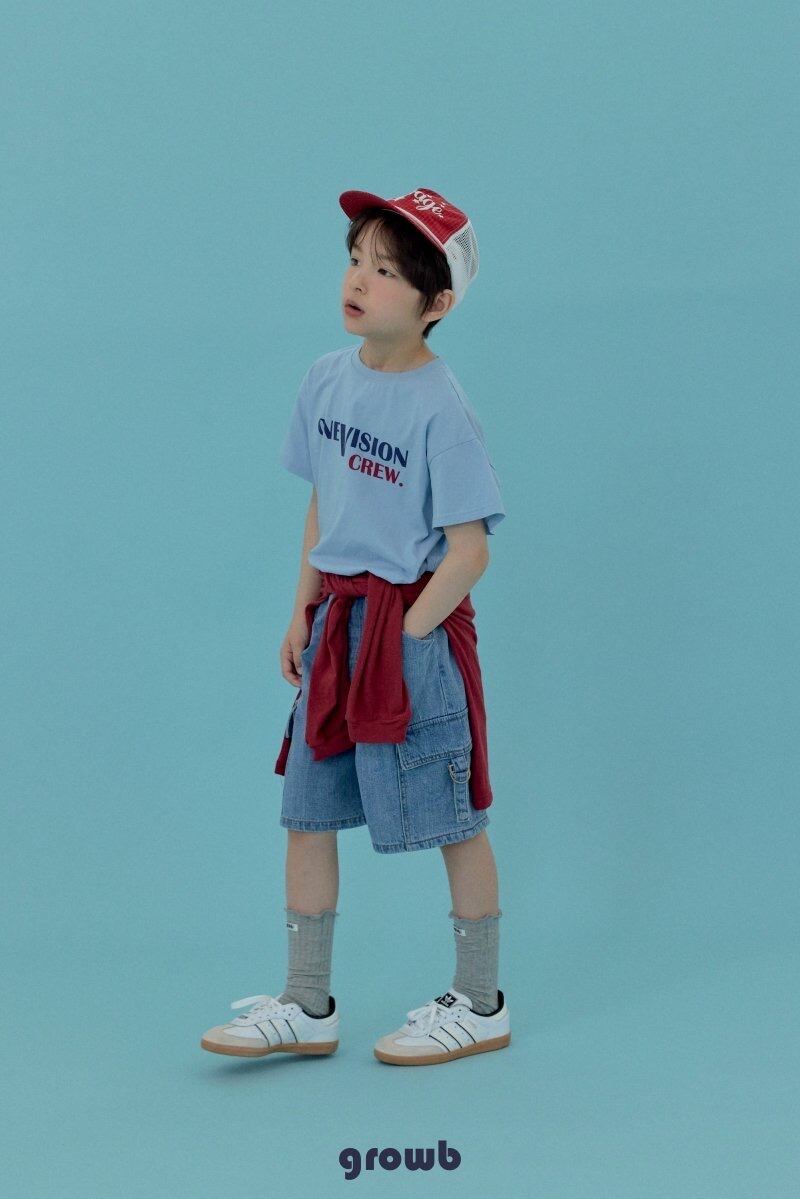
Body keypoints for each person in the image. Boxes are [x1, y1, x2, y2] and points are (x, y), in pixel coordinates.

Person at [201, 187, 510, 1067]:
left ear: (435, 301)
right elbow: (322, 504)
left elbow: (469, 552)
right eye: (355, 261)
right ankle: (307, 1002)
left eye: (385, 271)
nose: (359, 281)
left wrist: (408, 633)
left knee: (454, 815)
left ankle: (480, 1001)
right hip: (337, 622)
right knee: (305, 810)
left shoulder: (442, 409)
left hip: (408, 631)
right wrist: (302, 608)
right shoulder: (325, 380)